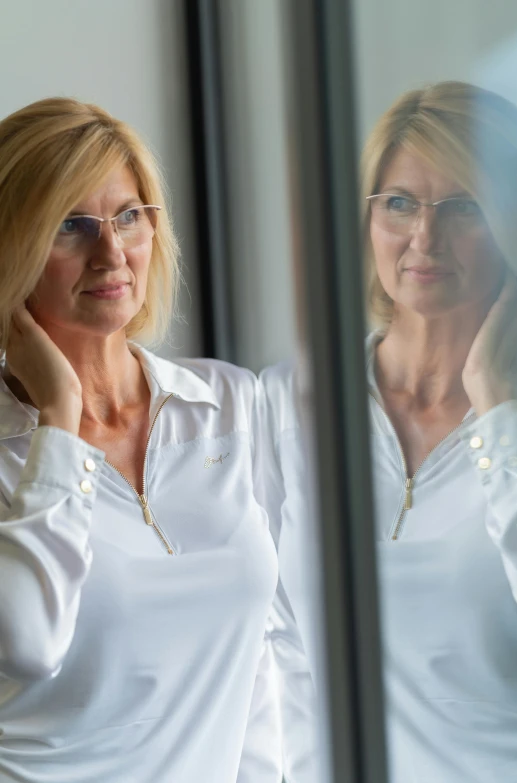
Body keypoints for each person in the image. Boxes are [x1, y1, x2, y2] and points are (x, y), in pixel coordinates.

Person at [0, 97, 282, 783]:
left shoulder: (229, 406)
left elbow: (263, 654)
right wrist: (59, 415)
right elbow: (27, 643)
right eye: (71, 226)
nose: (112, 253)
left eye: (130, 216)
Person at [264, 81, 517, 783]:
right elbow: (277, 653)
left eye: (464, 206)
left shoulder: (513, 420)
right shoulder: (288, 400)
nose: (424, 238)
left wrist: (498, 409)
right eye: (400, 203)